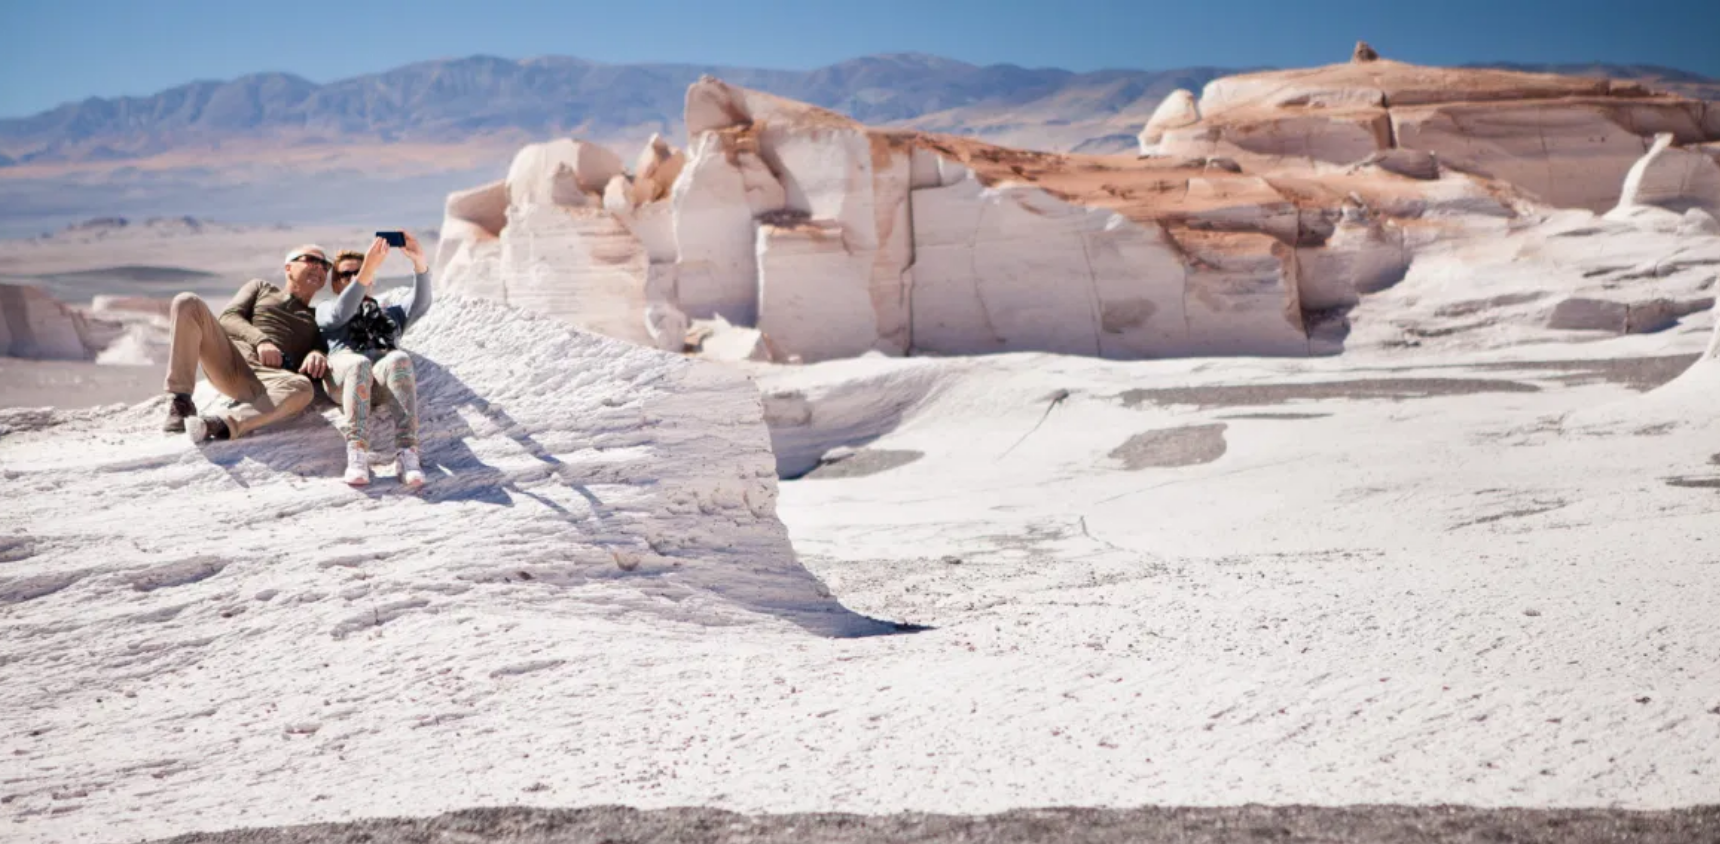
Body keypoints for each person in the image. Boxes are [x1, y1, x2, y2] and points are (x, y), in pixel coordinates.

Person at [162, 245, 333, 442]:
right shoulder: (261, 288)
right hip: (230, 360)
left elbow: (327, 346)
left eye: (325, 265)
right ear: (288, 267)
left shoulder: (317, 315)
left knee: (303, 388)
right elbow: (228, 318)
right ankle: (181, 400)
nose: (319, 268)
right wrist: (261, 341)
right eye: (311, 260)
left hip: (266, 380)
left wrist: (318, 353)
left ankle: (219, 424)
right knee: (187, 302)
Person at [317, 232, 433, 488]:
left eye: (358, 273)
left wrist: (419, 261)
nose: (353, 278)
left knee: (398, 358)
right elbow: (341, 313)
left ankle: (407, 454)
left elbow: (421, 303)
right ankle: (357, 453)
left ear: (372, 281)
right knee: (359, 363)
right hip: (343, 378)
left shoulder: (388, 314)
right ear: (336, 283)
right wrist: (367, 269)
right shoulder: (326, 307)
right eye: (346, 275)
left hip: (378, 383)